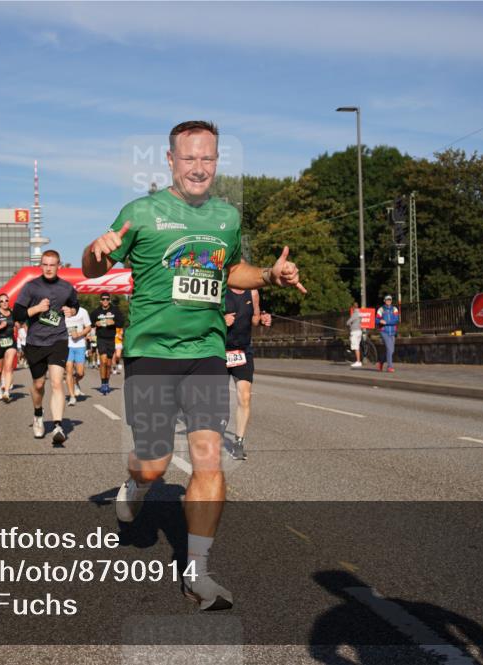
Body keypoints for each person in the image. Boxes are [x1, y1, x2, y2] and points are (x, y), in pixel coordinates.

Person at [82, 120, 305, 611]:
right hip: (152, 354)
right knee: (155, 463)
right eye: (189, 158)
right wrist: (94, 253)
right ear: (170, 161)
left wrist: (267, 273)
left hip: (206, 350)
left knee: (209, 458)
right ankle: (135, 485)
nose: (199, 167)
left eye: (208, 158)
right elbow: (97, 264)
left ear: (217, 161)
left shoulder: (226, 216)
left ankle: (197, 574)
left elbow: (231, 271)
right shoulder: (142, 212)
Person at [13, 250, 79, 445]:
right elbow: (17, 313)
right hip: (35, 342)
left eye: (52, 264)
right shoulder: (31, 287)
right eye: (45, 264)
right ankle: (38, 414)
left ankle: (58, 425)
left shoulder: (66, 288)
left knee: (57, 382)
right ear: (40, 266)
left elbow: (75, 304)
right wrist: (36, 309)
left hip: (58, 339)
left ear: (59, 265)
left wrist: (71, 310)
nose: (49, 268)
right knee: (39, 385)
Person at [224, 287, 271, 461]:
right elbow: (204, 317)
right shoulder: (221, 287)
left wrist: (263, 319)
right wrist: (221, 320)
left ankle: (238, 442)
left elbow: (254, 319)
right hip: (219, 350)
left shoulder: (253, 292)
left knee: (244, 397)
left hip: (242, 351)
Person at [93, 294, 125, 393]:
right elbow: (89, 322)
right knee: (103, 361)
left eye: (107, 299)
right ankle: (103, 384)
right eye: (103, 299)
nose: (105, 301)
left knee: (109, 364)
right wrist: (95, 323)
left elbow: (122, 322)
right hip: (101, 338)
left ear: (109, 300)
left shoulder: (115, 310)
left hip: (111, 339)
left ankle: (107, 382)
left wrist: (114, 322)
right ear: (100, 301)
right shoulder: (96, 311)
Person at [63, 303, 92, 406]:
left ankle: (75, 381)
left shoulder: (83, 312)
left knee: (80, 373)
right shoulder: (63, 312)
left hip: (80, 345)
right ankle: (72, 397)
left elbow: (88, 327)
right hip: (67, 346)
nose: (70, 311)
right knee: (69, 370)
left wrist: (79, 334)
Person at [375, 294, 400, 372]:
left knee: (391, 350)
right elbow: (376, 320)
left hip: (392, 332)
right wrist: (380, 321)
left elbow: (396, 320)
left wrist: (386, 322)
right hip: (384, 332)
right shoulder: (381, 309)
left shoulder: (395, 309)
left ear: (391, 301)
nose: (388, 301)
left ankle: (381, 362)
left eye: (390, 300)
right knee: (389, 349)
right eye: (387, 300)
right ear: (384, 301)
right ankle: (390, 367)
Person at [346, 302, 363, 368]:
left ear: (353, 307)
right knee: (357, 346)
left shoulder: (355, 314)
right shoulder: (360, 313)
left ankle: (358, 361)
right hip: (359, 331)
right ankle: (358, 360)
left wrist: (350, 325)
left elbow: (348, 322)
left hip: (355, 331)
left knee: (355, 347)